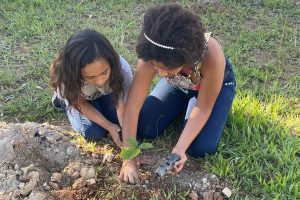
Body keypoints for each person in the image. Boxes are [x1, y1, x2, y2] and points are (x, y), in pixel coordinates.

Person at [119, 4, 236, 184]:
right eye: (155, 67)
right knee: (144, 126)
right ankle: (182, 106)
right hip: (179, 85)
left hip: (212, 87)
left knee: (200, 148)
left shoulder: (211, 55)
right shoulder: (153, 52)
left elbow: (203, 108)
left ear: (185, 58)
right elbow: (133, 107)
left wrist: (179, 149)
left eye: (165, 68)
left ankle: (202, 110)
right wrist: (129, 157)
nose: (160, 74)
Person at [50, 29, 133, 147]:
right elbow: (80, 103)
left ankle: (100, 106)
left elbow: (123, 106)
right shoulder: (66, 75)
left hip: (105, 94)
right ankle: (62, 102)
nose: (100, 81)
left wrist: (129, 144)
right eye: (90, 77)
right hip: (80, 99)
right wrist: (109, 126)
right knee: (93, 132)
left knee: (122, 123)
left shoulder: (122, 69)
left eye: (104, 72)